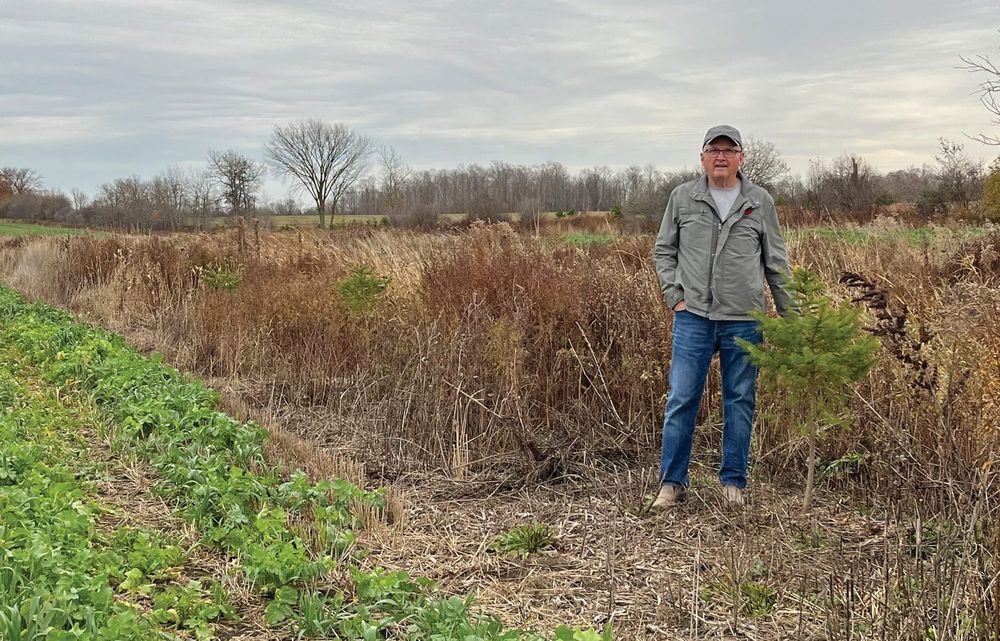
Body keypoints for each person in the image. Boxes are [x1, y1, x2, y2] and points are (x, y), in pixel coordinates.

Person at [651, 125, 792, 508]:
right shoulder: (683, 198)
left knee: (740, 400)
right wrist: (674, 296)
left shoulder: (759, 201)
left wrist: (793, 316)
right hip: (693, 317)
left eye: (729, 150)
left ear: (741, 158)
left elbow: (776, 263)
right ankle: (672, 484)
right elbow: (664, 251)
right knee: (682, 399)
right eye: (714, 149)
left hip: (744, 319)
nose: (721, 156)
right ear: (702, 156)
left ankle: (733, 484)